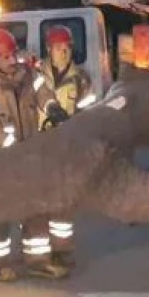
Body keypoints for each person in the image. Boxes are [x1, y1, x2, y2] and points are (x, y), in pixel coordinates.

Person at [0, 28, 70, 282]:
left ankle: (38, 261)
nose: (12, 60)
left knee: (36, 209)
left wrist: (53, 109)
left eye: (13, 54)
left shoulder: (28, 77)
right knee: (0, 215)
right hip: (2, 162)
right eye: (5, 57)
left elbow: (43, 94)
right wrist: (13, 147)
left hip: (28, 156)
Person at [35, 25, 95, 269]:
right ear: (49, 49)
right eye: (60, 48)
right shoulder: (36, 74)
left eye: (68, 48)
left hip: (65, 146)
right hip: (38, 146)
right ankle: (38, 252)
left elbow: (89, 108)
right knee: (38, 200)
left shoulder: (81, 78)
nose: (65, 52)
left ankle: (61, 250)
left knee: (63, 201)